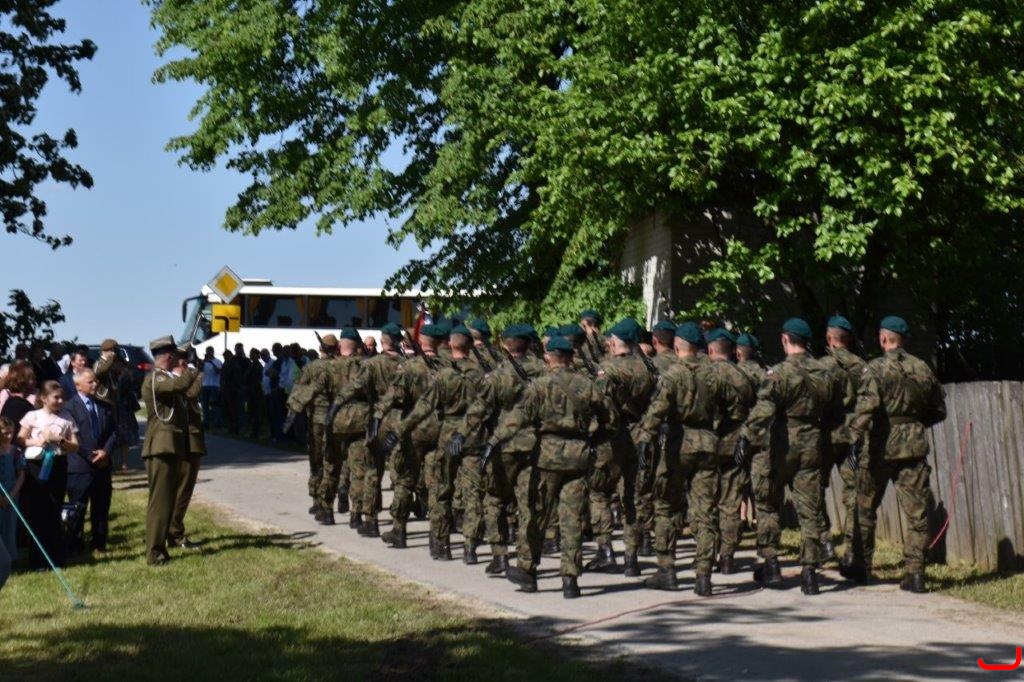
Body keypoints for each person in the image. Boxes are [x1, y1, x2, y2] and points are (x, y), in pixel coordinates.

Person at [503, 335, 616, 599]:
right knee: (572, 518)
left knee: (536, 514)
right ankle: (570, 579)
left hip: (547, 457)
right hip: (578, 457)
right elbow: (609, 419)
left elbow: (519, 418)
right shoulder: (587, 385)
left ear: (548, 358)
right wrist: (591, 438)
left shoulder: (539, 386)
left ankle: (528, 570)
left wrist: (499, 441)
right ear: (571, 358)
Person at [737, 318, 841, 595]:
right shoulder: (825, 373)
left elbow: (764, 409)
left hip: (781, 445)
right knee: (809, 510)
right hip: (812, 444)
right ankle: (810, 573)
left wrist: (746, 436)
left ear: (785, 340)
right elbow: (836, 412)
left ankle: (771, 564)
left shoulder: (779, 373)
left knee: (768, 504)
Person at [842, 316, 946, 593]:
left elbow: (866, 408)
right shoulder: (922, 368)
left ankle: (861, 566)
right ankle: (915, 573)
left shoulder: (875, 368)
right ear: (904, 340)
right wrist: (913, 425)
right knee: (917, 513)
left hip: (880, 447)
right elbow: (939, 410)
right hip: (913, 447)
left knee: (864, 508)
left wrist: (853, 439)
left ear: (883, 338)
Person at [635, 322, 725, 593]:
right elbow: (730, 408)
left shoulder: (672, 375)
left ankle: (667, 569)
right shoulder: (714, 374)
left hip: (678, 444)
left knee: (666, 506)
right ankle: (704, 575)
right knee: (705, 510)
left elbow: (658, 410)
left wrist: (644, 438)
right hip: (707, 443)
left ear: (677, 347)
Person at [456, 323, 544, 574]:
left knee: (494, 499)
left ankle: (500, 554)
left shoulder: (498, 376)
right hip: (535, 445)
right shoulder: (543, 372)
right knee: (528, 504)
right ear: (529, 344)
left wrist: (461, 433)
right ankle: (526, 560)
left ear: (505, 346)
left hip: (503, 444)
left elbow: (479, 408)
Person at [587, 318, 658, 578]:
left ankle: (605, 550)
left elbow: (598, 401)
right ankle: (632, 557)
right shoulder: (649, 368)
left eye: (612, 338)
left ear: (618, 341)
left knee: (599, 493)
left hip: (613, 437)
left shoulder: (609, 369)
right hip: (641, 434)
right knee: (633, 498)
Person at [378, 328, 448, 549]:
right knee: (437, 484)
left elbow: (396, 397)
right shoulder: (448, 367)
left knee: (405, 481)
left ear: (421, 341)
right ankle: (438, 539)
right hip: (441, 429)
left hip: (414, 429)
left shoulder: (409, 367)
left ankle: (399, 530)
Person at [140, 335, 199, 565]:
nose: (179, 359)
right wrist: (192, 368)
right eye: (175, 354)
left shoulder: (165, 378)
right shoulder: (156, 378)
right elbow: (180, 385)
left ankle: (160, 548)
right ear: (167, 356)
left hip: (170, 447)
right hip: (161, 447)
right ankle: (154, 553)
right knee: (160, 503)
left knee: (166, 501)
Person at [705, 328, 757, 576]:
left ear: (710, 350)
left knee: (706, 501)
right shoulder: (743, 376)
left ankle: (707, 554)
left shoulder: (705, 375)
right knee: (730, 502)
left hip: (708, 442)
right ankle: (727, 556)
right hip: (736, 442)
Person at [817, 315, 866, 564]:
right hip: (854, 435)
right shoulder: (862, 367)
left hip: (826, 435)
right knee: (853, 492)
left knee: (814, 488)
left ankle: (824, 540)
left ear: (829, 338)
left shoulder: (820, 367)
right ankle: (852, 547)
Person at [16, 380, 79, 570]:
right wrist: (38, 441)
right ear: (43, 398)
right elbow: (20, 439)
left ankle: (56, 558)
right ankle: (37, 560)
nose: (60, 401)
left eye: (62, 398)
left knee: (54, 509)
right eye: (56, 397)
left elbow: (75, 446)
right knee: (38, 510)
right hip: (37, 465)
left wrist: (59, 440)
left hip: (57, 465)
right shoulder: (32, 416)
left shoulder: (67, 417)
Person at [358, 324, 404, 538]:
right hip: (402, 420)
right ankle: (399, 523)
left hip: (378, 418)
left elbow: (360, 389)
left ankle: (371, 520)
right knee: (400, 473)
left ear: (382, 341)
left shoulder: (372, 364)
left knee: (372, 471)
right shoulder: (408, 364)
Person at [286, 334, 339, 516]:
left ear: (320, 348)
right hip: (337, 418)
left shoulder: (311, 367)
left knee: (316, 461)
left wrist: (292, 412)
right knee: (332, 460)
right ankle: (328, 501)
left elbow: (298, 389)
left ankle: (317, 499)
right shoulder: (340, 366)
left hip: (317, 417)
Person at [65, 369, 116, 553]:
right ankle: (75, 544)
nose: (95, 384)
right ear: (78, 385)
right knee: (78, 508)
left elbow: (113, 432)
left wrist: (106, 451)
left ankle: (99, 543)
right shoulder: (69, 407)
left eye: (96, 381)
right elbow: (73, 437)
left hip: (102, 465)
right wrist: (91, 455)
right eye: (90, 382)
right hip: (80, 465)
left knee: (101, 506)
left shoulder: (105, 406)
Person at [170, 347, 205, 550]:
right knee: (183, 488)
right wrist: (196, 370)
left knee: (183, 489)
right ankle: (175, 533)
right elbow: (192, 392)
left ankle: (173, 530)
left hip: (190, 440)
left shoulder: (179, 380)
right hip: (187, 442)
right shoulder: (177, 381)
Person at [0, 416, 25, 588]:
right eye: (5, 432)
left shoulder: (16, 452)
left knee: (10, 526)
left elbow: (21, 475)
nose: (9, 436)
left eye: (11, 432)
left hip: (11, 493)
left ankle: (9, 560)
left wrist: (11, 495)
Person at [199, 347, 223, 428]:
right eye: (207, 352)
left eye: (210, 351)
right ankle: (206, 422)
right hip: (205, 385)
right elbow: (200, 370)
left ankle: (217, 422)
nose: (209, 353)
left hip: (215, 386)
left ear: (213, 352)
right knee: (205, 405)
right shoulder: (204, 362)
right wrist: (203, 362)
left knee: (215, 405)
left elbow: (218, 371)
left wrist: (211, 362)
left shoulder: (217, 361)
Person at [245, 348, 264, 438]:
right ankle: (253, 431)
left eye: (253, 354)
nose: (251, 356)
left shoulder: (258, 366)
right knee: (252, 412)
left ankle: (256, 431)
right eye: (251, 354)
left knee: (257, 412)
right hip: (251, 391)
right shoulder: (251, 365)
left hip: (257, 392)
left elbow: (259, 379)